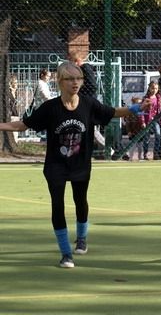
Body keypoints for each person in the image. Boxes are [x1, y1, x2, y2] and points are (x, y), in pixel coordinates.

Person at [0, 61, 148, 268]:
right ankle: (66, 253)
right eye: (70, 79)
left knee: (80, 201)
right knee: (57, 205)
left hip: (80, 164)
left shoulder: (89, 104)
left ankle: (81, 238)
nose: (75, 83)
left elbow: (113, 112)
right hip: (56, 166)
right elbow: (23, 125)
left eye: (78, 78)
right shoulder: (50, 108)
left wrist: (135, 108)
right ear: (60, 82)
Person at [71, 55, 106, 150]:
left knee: (89, 127)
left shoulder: (85, 68)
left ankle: (107, 148)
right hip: (85, 102)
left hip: (87, 102)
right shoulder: (83, 70)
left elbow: (92, 86)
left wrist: (81, 93)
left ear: (77, 62)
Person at [142, 81, 161, 160]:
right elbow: (142, 111)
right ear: (149, 88)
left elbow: (159, 109)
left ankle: (156, 153)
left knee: (158, 134)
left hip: (155, 120)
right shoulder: (146, 98)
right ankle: (145, 154)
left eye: (156, 88)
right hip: (147, 120)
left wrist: (160, 118)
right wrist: (143, 121)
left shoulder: (158, 98)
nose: (154, 90)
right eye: (153, 88)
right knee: (146, 138)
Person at [124, 96, 146, 161]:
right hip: (133, 132)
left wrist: (144, 124)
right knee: (132, 146)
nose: (139, 105)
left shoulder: (142, 112)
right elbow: (128, 123)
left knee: (140, 146)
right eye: (137, 103)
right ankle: (130, 157)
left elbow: (143, 120)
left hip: (140, 132)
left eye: (140, 103)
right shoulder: (130, 113)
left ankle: (140, 157)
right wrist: (129, 131)